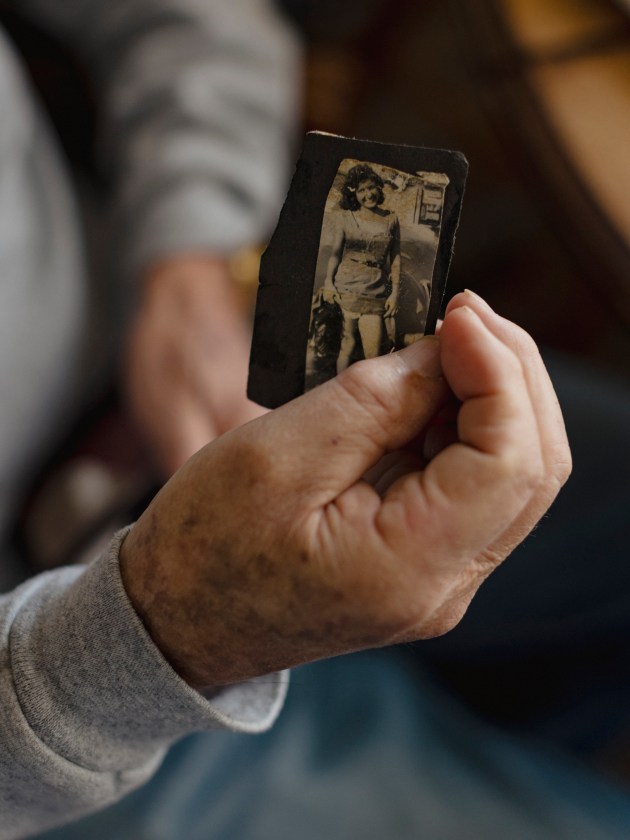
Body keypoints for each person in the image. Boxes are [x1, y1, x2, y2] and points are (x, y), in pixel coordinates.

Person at [322, 163, 400, 372]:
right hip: (345, 289)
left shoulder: (391, 219)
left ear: (378, 187)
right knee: (346, 346)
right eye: (361, 190)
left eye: (371, 187)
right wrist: (328, 283)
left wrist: (394, 295)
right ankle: (338, 391)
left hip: (375, 292)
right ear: (354, 193)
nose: (368, 194)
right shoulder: (346, 218)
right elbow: (336, 254)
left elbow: (396, 259)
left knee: (373, 355)